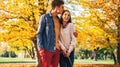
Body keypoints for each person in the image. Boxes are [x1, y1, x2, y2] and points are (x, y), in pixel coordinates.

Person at [37, 0, 64, 67]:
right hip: (47, 49)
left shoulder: (59, 20)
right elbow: (39, 33)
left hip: (57, 49)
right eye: (62, 7)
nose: (63, 9)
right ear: (57, 8)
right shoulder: (45, 17)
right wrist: (40, 48)